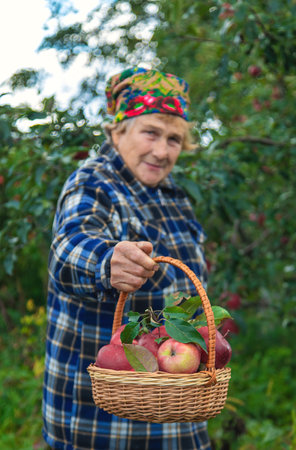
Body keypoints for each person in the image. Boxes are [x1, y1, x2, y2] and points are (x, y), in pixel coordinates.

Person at [42, 67, 211, 450]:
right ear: (119, 130)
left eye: (174, 139)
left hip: (174, 413)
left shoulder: (176, 198)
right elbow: (69, 248)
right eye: (150, 132)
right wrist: (107, 261)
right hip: (102, 420)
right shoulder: (94, 182)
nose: (163, 151)